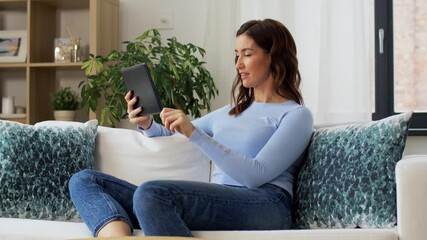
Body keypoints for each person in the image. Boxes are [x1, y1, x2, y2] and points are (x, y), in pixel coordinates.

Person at [69, 18, 313, 237]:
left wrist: (194, 133)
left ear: (274, 56)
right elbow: (172, 131)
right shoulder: (231, 111)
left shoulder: (296, 115)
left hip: (267, 204)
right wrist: (147, 124)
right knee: (84, 180)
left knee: (152, 194)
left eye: (247, 54)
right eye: (236, 55)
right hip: (223, 199)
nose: (238, 64)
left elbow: (256, 174)